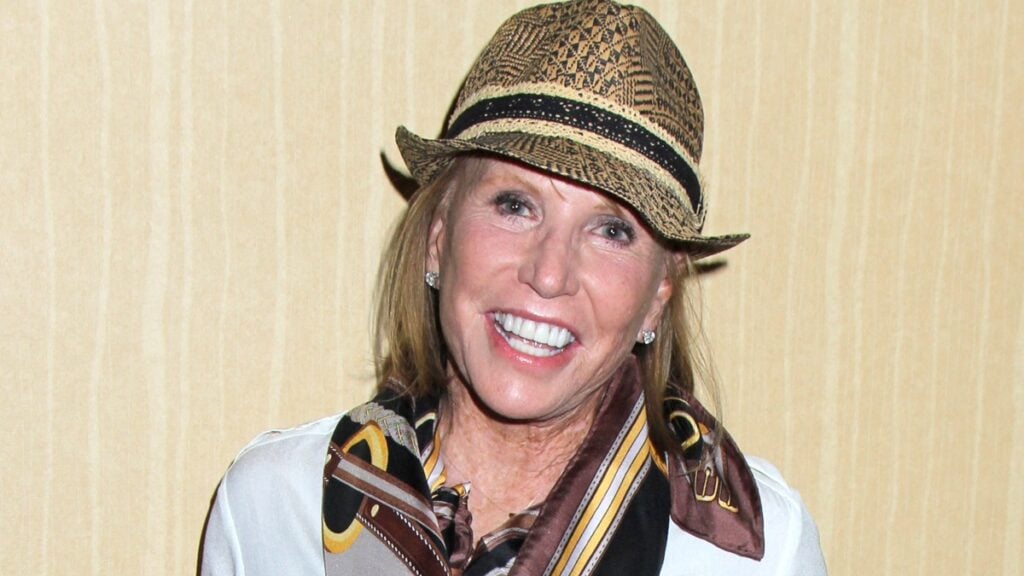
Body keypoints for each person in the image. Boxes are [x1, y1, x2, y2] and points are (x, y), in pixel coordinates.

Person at [199, 1, 827, 574]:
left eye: (611, 230)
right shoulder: (272, 507)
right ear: (438, 237)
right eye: (515, 205)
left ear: (659, 295)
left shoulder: (757, 555)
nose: (549, 273)